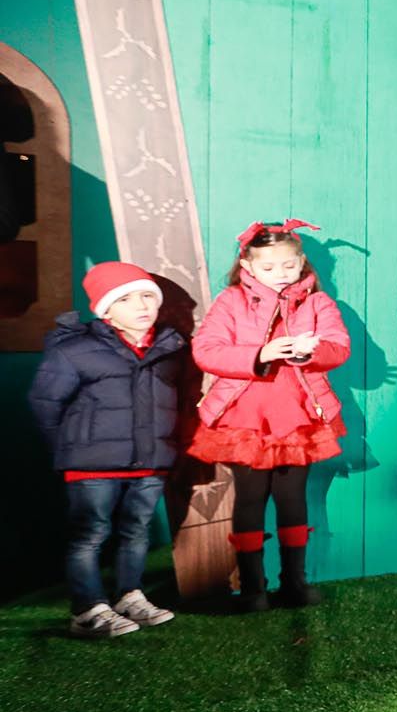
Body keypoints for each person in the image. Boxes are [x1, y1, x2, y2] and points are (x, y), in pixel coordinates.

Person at [190, 220, 351, 611]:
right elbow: (206, 351)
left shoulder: (318, 302)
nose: (280, 275)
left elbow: (339, 347)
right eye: (268, 268)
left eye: (288, 266)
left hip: (297, 416)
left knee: (293, 498)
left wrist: (311, 352)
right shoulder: (230, 301)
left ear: (301, 263)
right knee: (249, 498)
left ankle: (294, 582)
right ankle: (252, 586)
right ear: (247, 267)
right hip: (245, 418)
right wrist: (259, 355)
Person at [27, 261, 187, 638]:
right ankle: (87, 609)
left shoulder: (170, 347)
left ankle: (129, 595)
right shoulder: (76, 349)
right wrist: (69, 449)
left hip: (149, 461)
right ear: (106, 309)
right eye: (127, 298)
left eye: (148, 296)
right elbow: (44, 403)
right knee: (92, 532)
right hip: (91, 465)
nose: (142, 305)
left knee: (137, 530)